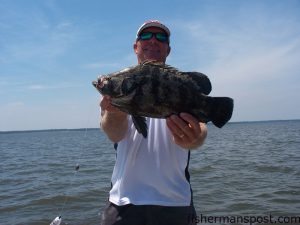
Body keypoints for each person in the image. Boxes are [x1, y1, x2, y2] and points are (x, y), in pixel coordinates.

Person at [99, 20, 207, 225]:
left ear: (168, 49)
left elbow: (200, 132)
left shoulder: (179, 82)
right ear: (136, 47)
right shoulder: (121, 83)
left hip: (176, 203)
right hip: (123, 202)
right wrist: (114, 111)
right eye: (146, 36)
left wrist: (194, 138)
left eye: (161, 37)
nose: (154, 41)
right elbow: (114, 134)